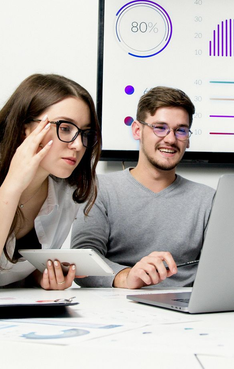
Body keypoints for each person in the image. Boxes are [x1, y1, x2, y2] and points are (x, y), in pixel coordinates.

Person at [71, 86, 214, 289]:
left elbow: (221, 266)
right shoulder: (99, 189)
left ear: (188, 138)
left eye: (180, 130)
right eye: (160, 127)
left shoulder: (208, 200)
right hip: (118, 305)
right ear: (137, 130)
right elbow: (82, 260)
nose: (171, 139)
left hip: (187, 307)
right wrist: (126, 277)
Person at [0, 74, 100, 289]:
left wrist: (40, 277)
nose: (78, 145)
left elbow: (10, 276)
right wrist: (12, 187)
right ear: (24, 128)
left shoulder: (66, 195)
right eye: (65, 128)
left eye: (84, 133)